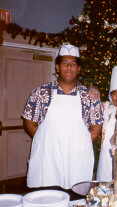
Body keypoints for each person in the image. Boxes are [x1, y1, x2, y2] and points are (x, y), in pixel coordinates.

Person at [22, 43, 104, 190]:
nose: (69, 67)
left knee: (77, 204)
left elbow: (96, 129)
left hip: (77, 161)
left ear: (79, 68)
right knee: (46, 202)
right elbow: (29, 123)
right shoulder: (40, 93)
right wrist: (48, 140)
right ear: (57, 67)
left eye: (73, 63)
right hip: (47, 161)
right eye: (64, 63)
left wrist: (78, 144)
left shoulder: (90, 97)